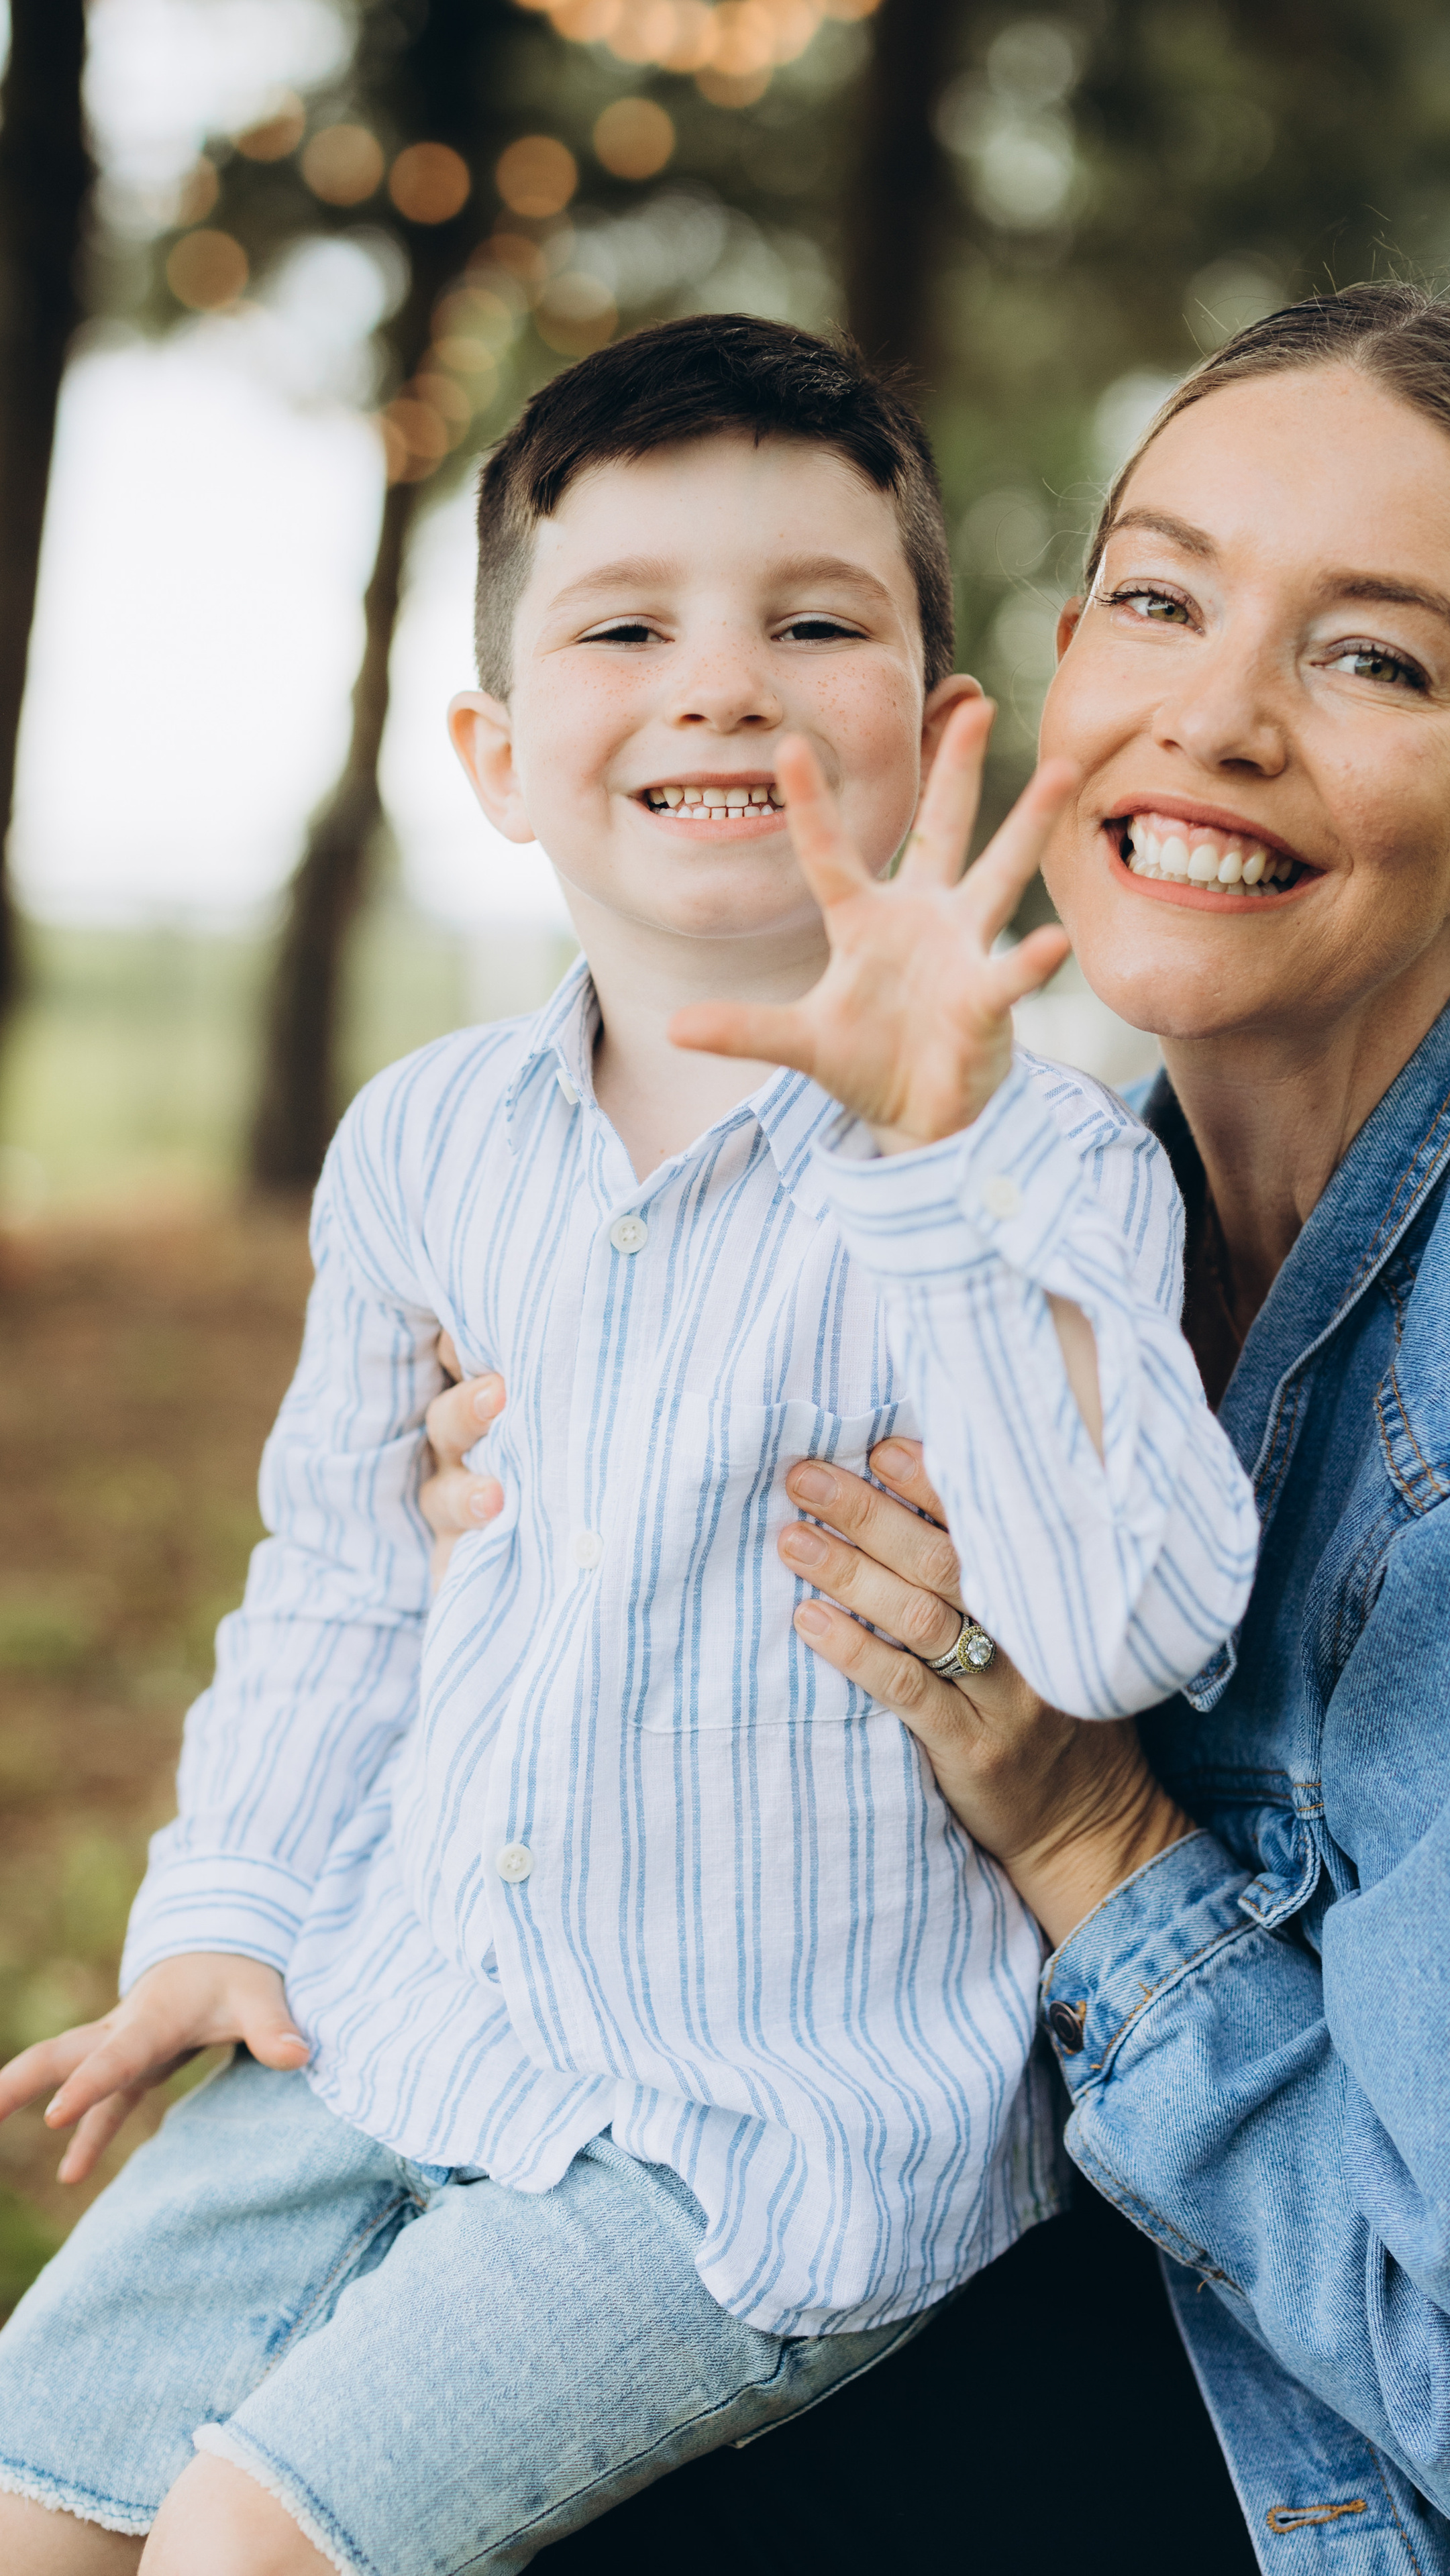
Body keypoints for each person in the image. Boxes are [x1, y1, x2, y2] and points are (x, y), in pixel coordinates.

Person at [431, 282, 1450, 2575]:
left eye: (1375, 658)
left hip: (1377, 2484)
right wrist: (549, 1484)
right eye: (1162, 599)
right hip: (1048, 2229)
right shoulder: (1077, 1192)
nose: (1212, 721)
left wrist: (1088, 1838)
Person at [0, 315, 1258, 2575]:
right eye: (627, 625)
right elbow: (341, 1572)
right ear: (492, 749)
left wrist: (921, 1160)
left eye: (812, 622)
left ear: (938, 729)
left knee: (237, 2546)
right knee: (34, 2485)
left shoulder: (1037, 1171)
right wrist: (227, 1906)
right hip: (406, 2021)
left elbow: (1128, 1622)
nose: (723, 683)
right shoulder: (427, 1149)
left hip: (747, 2129)